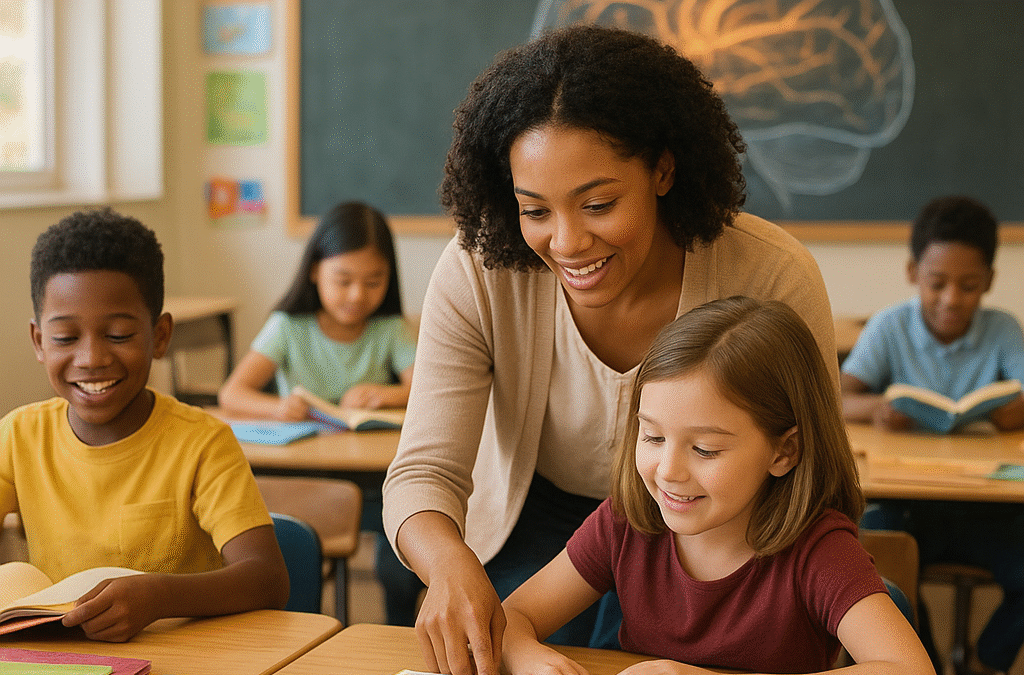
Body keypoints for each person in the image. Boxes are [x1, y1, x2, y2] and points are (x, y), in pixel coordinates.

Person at [383, 24, 839, 675]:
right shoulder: (479, 270)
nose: (566, 242)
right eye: (534, 209)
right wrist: (449, 561)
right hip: (536, 523)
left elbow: (813, 471)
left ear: (663, 169)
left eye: (597, 203)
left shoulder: (769, 275)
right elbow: (422, 473)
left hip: (720, 530)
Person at [501, 296, 932, 675]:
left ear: (783, 452)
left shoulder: (818, 550)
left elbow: (908, 668)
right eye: (652, 436)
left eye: (705, 449)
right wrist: (523, 654)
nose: (668, 471)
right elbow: (513, 616)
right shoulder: (626, 522)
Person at [0, 208, 289, 642]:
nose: (92, 358)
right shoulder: (19, 435)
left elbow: (268, 578)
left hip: (184, 655)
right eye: (65, 338)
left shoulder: (202, 442)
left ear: (160, 336)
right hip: (65, 659)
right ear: (39, 341)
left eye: (118, 335)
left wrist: (160, 596)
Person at [841, 195, 1024, 675]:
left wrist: (1013, 413)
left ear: (989, 281)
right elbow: (836, 398)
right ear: (912, 272)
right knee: (873, 559)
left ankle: (988, 660)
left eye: (968, 286)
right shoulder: (889, 326)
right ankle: (924, 664)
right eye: (937, 283)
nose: (951, 299)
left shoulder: (1003, 330)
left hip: (987, 503)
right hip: (910, 502)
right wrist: (878, 408)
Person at [217, 200, 422, 626]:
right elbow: (233, 392)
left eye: (373, 281)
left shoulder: (388, 328)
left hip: (373, 483)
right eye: (343, 280)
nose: (356, 295)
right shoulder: (290, 325)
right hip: (302, 477)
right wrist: (278, 406)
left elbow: (423, 385)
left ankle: (398, 633)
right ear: (314, 271)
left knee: (399, 561)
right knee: (291, 559)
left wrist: (383, 395)